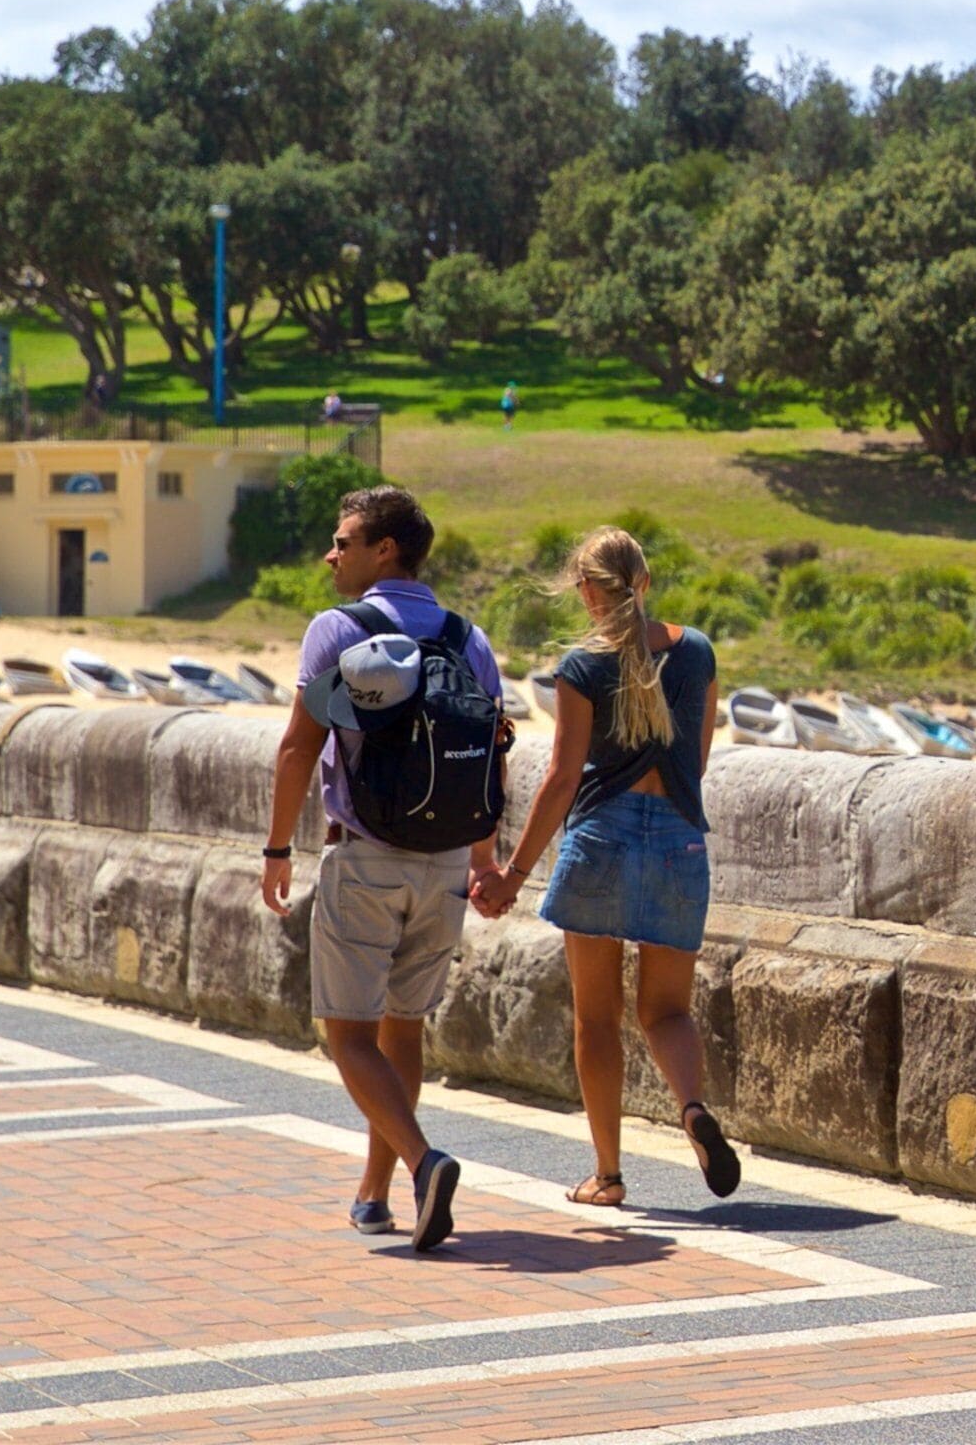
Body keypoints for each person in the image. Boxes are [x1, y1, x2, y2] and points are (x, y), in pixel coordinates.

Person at [262, 485, 506, 1251]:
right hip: (444, 868)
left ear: (385, 550)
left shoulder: (337, 629)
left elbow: (300, 746)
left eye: (344, 541)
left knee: (348, 1035)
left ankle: (423, 1160)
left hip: (366, 858)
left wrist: (277, 850)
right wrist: (484, 860)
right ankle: (377, 1190)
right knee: (405, 1030)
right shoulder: (470, 638)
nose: (330, 555)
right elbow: (491, 754)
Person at [477, 526, 732, 1206]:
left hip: (602, 838)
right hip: (679, 840)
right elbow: (696, 763)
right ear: (644, 582)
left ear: (588, 590)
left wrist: (511, 874)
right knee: (667, 1011)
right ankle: (692, 1108)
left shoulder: (581, 667)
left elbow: (562, 778)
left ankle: (609, 1174)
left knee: (597, 1017)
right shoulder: (698, 652)